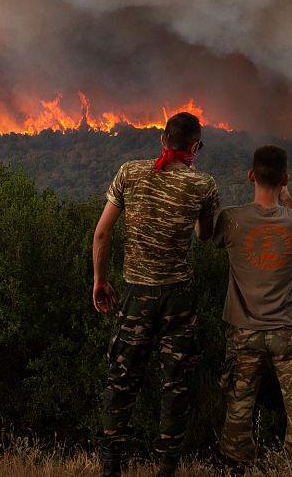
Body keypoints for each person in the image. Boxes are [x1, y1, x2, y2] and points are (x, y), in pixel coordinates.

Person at [91, 111, 220, 477]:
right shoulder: (203, 185)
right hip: (178, 298)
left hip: (136, 295)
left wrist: (100, 280)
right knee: (175, 385)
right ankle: (166, 469)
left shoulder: (129, 172)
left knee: (121, 380)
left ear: (163, 140)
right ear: (194, 146)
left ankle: (111, 467)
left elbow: (102, 234)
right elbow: (205, 235)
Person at [212, 145, 292, 477]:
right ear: (285, 179)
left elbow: (210, 237)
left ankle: (234, 467)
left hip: (244, 329)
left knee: (239, 406)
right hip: (290, 329)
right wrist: (287, 199)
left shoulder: (231, 219)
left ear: (250, 176)